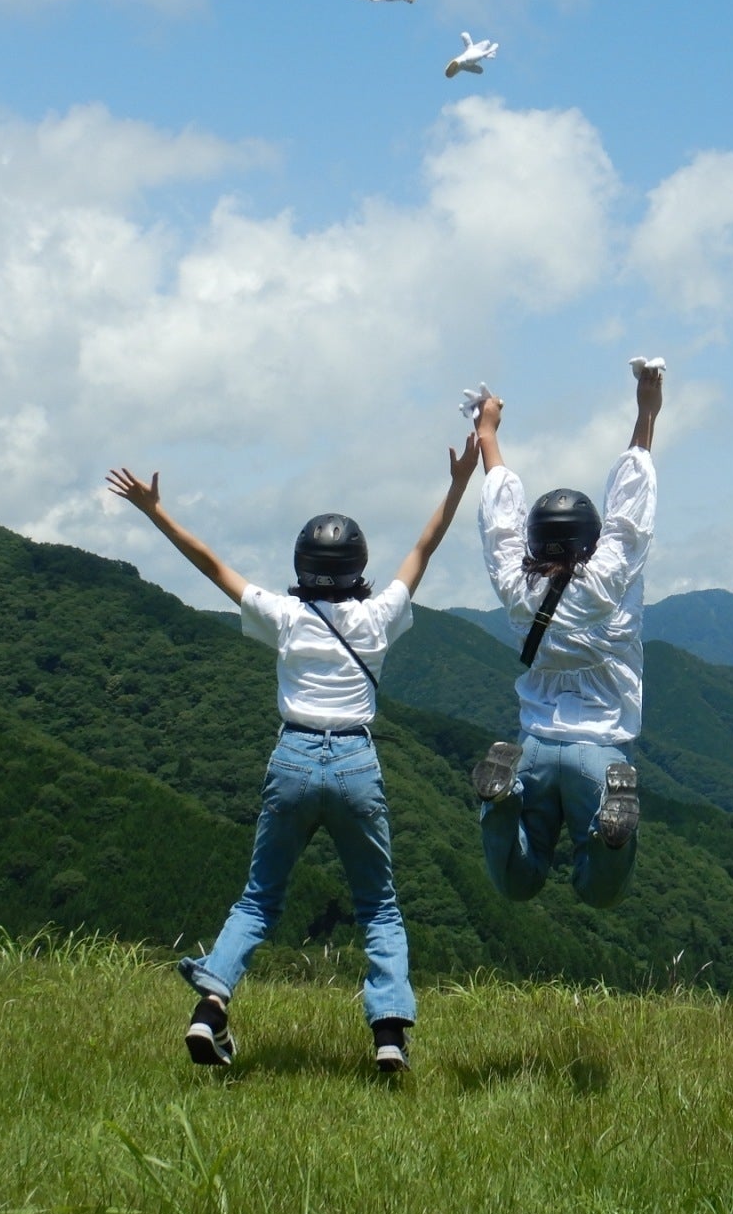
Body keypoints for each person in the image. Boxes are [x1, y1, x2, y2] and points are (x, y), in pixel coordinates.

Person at [105, 433, 479, 1073]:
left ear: (302, 566)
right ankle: (389, 1033)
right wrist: (460, 480)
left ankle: (211, 1008)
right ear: (358, 566)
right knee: (379, 906)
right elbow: (424, 548)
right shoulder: (378, 618)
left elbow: (212, 566)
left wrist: (154, 510)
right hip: (356, 763)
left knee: (258, 900)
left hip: (293, 759)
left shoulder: (284, 617)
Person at [468, 364, 662, 909]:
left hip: (533, 746)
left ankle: (501, 803)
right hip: (600, 753)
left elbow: (499, 524)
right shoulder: (610, 580)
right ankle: (607, 836)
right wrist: (646, 413)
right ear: (593, 542)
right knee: (599, 890)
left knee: (518, 880)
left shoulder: (517, 586)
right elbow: (629, 511)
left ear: (533, 541)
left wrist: (488, 432)